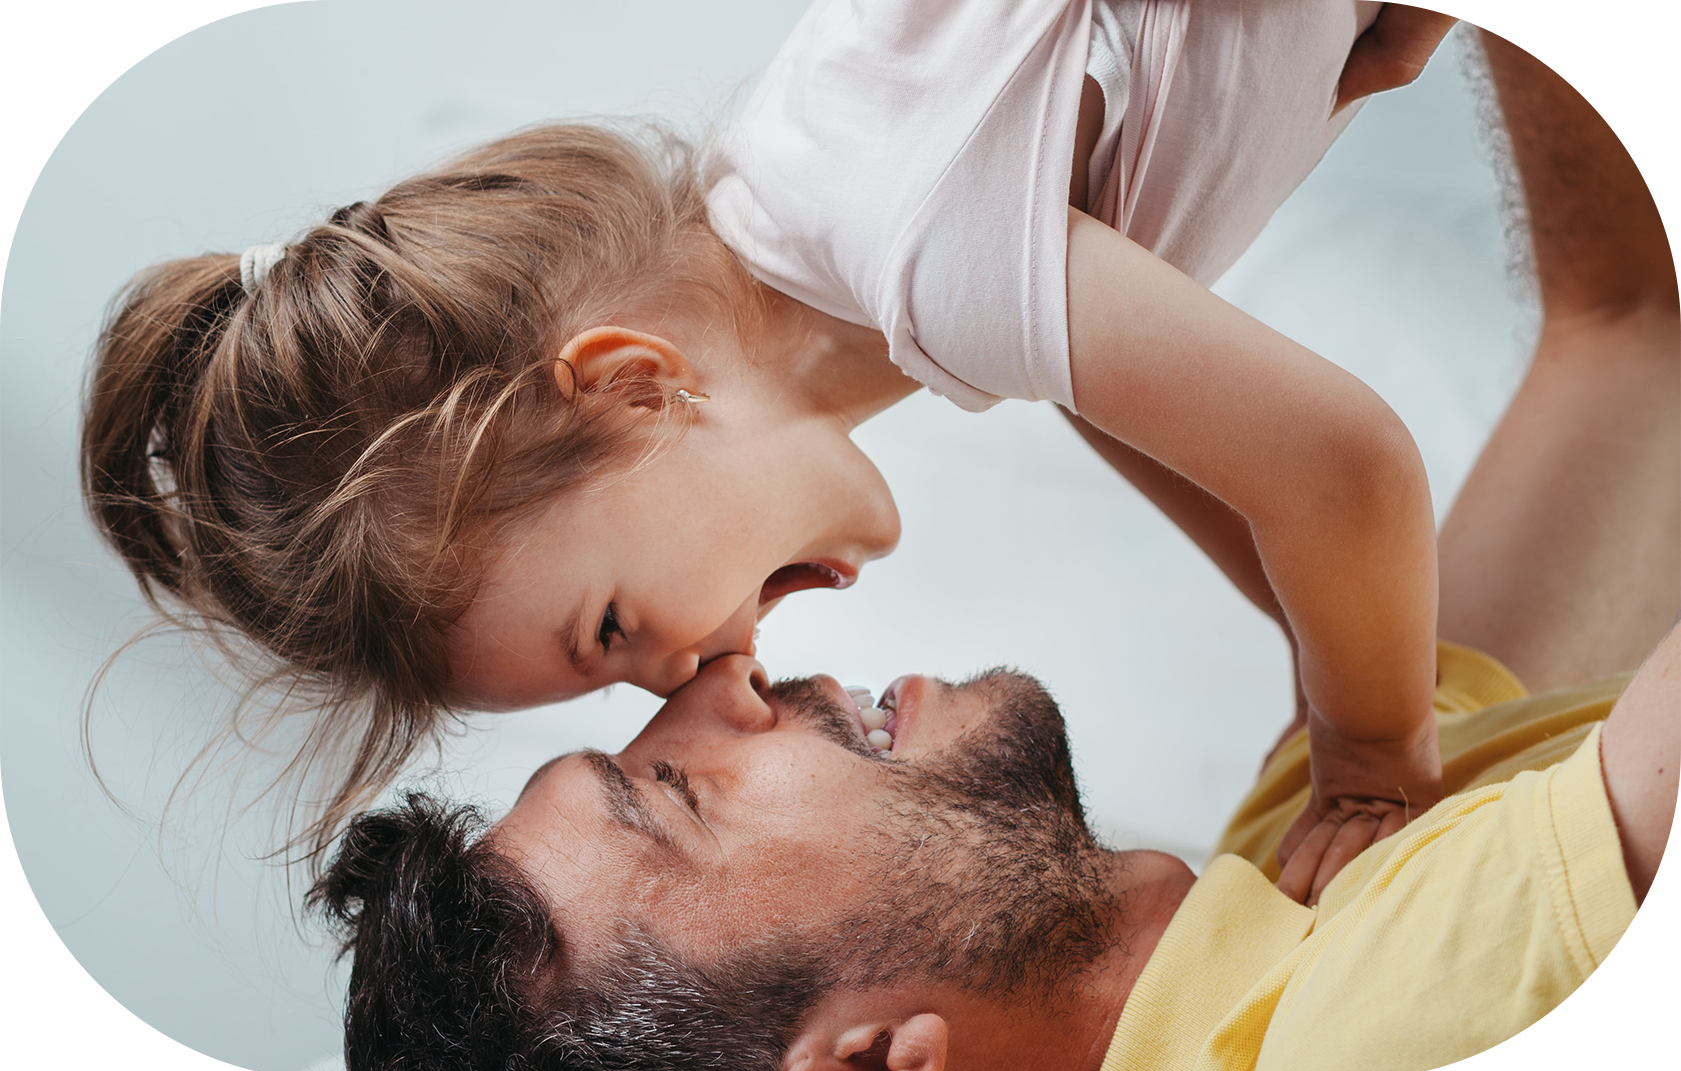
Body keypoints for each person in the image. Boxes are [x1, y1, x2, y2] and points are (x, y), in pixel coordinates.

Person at [307, 0, 1681, 1071]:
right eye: (673, 793)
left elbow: (1643, 329)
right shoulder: (1386, 1022)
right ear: (873, 1063)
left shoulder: (1310, 841)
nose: (717, 679)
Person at [80, 0, 1469, 883]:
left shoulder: (915, 248)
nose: (692, 673)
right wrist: (1325, 658)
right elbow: (1231, 464)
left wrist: (1368, 754)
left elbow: (1341, 472)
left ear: (633, 387)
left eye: (612, 628)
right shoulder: (860, 237)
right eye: (623, 685)